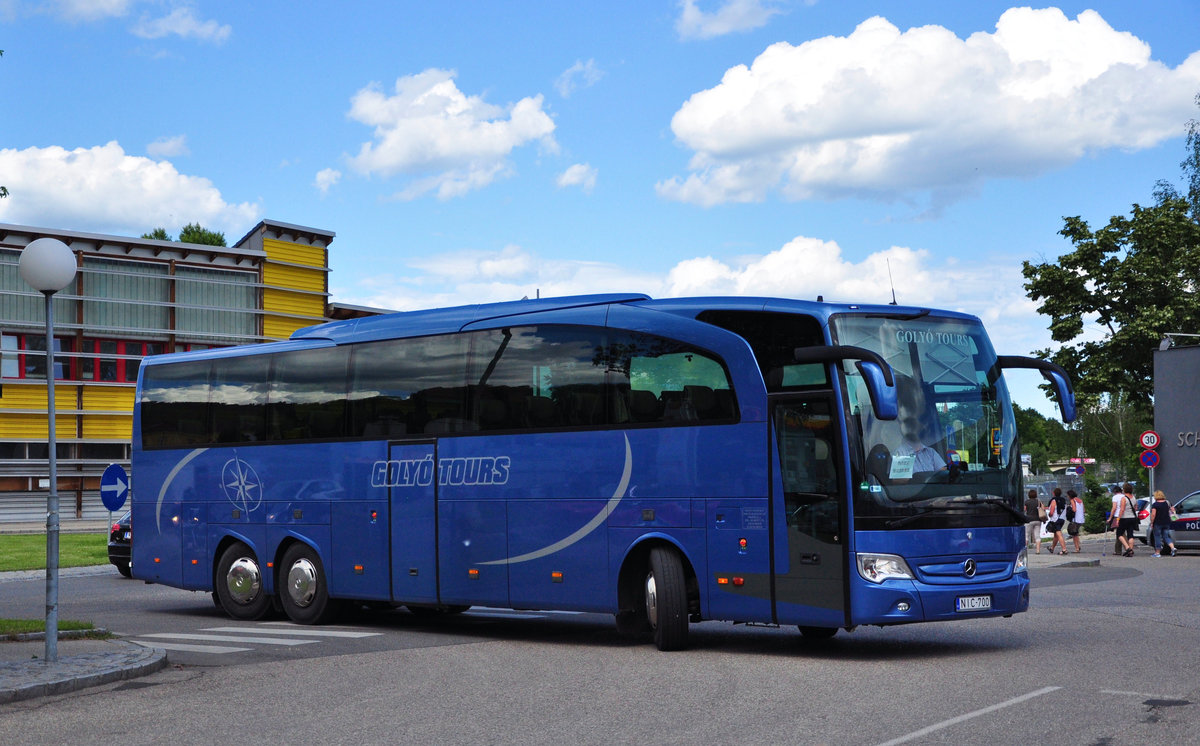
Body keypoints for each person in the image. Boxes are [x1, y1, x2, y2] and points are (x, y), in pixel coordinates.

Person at [1111, 483, 1138, 557]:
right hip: (1132, 518)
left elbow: (1122, 509)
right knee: (1130, 535)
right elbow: (1136, 508)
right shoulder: (1134, 497)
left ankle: (1127, 548)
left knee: (1119, 534)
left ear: (1125, 489)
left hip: (1124, 518)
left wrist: (1118, 519)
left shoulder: (1124, 498)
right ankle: (1131, 551)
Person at [1148, 490, 1177, 558]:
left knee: (1157, 537)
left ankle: (1157, 553)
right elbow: (1173, 510)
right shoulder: (1167, 502)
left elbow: (1153, 514)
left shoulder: (1155, 504)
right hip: (1167, 522)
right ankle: (1173, 548)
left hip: (1158, 523)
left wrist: (1152, 522)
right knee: (1166, 536)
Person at [1045, 487, 1067, 555]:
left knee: (1059, 534)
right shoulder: (1063, 500)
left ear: (1053, 493)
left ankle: (1064, 549)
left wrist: (1049, 514)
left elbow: (1051, 512)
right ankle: (1052, 548)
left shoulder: (1054, 500)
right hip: (1062, 518)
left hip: (1055, 519)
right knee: (1056, 535)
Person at [1024, 488, 1043, 553]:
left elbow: (1025, 509)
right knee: (1037, 535)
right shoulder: (1038, 502)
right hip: (1038, 520)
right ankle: (1038, 550)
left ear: (1029, 495)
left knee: (1026, 535)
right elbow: (1042, 509)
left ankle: (1025, 550)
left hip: (1029, 520)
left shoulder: (1026, 502)